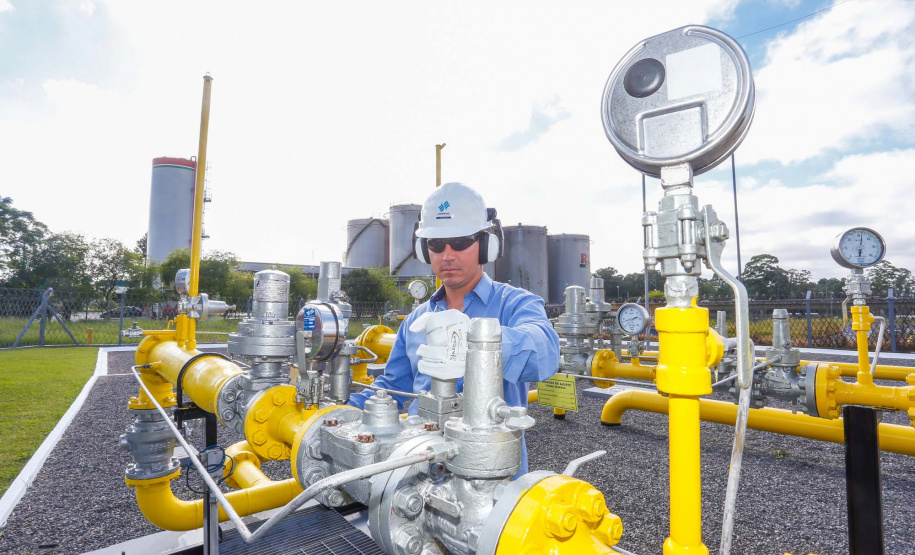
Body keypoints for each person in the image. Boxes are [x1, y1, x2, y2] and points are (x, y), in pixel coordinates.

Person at [348, 182, 559, 473]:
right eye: (436, 244)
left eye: (460, 242)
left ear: (486, 245)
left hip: (489, 476)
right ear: (424, 250)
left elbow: (544, 353)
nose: (447, 254)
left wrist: (477, 339)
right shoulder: (416, 320)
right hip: (417, 467)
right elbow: (395, 389)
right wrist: (337, 408)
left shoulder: (514, 304)